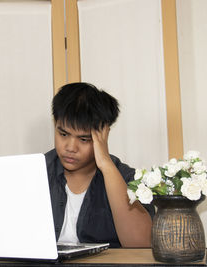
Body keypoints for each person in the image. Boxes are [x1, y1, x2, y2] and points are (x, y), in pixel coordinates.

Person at [45, 82, 154, 248]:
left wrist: (106, 164)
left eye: (84, 139)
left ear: (103, 134)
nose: (70, 148)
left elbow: (142, 245)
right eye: (63, 134)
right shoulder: (36, 171)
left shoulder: (128, 179)